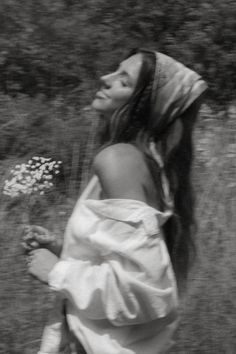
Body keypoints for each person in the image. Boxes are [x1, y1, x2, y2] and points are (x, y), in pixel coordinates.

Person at [23, 48, 207, 354]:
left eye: (123, 81)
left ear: (144, 106)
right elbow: (127, 258)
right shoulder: (147, 162)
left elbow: (141, 292)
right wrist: (66, 250)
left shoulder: (118, 160)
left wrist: (57, 271)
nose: (105, 78)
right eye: (115, 71)